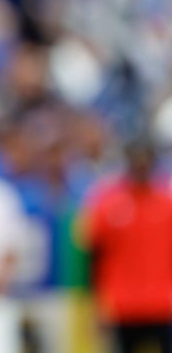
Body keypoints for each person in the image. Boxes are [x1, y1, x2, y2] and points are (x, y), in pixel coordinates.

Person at [82, 140, 172, 353]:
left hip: (162, 304)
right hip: (123, 306)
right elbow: (94, 257)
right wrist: (96, 304)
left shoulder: (166, 204)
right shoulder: (108, 205)